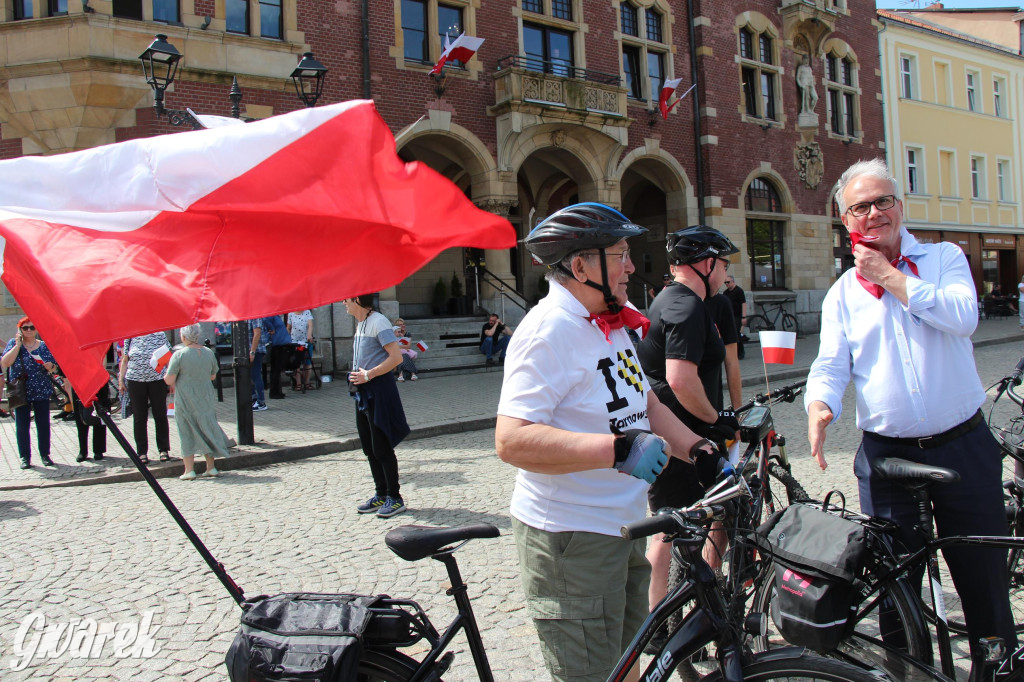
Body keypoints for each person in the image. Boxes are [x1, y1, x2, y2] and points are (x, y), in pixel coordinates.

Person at [805, 158, 1017, 667]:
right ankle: (905, 673)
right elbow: (832, 363)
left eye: (884, 201)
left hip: (964, 446)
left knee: (984, 581)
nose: (874, 213)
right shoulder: (841, 295)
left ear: (900, 206)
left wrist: (890, 276)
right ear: (846, 222)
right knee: (894, 588)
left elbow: (963, 317)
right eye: (861, 207)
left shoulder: (944, 258)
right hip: (887, 461)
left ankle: (999, 671)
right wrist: (819, 405)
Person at [495, 203, 713, 681]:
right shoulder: (548, 331)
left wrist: (697, 448)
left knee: (625, 667)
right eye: (620, 254)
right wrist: (617, 450)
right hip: (573, 539)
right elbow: (512, 441)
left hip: (623, 526)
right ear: (581, 266)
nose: (632, 266)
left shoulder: (608, 321)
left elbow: (646, 405)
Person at [637, 225, 739, 610]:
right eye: (723, 263)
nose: (725, 273)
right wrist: (716, 418)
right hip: (681, 434)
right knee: (669, 527)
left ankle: (668, 610)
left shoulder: (670, 299)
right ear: (706, 263)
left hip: (678, 429)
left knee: (675, 523)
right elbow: (680, 378)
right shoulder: (686, 305)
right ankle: (655, 619)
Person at [345, 294, 410, 519]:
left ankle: (395, 497)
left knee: (381, 446)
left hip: (378, 390)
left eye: (346, 299)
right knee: (369, 447)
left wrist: (369, 374)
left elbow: (396, 358)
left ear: (357, 300)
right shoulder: (362, 323)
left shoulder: (378, 322)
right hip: (363, 392)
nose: (344, 303)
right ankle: (381, 494)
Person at [165, 324, 231, 481]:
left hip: (186, 398)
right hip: (206, 397)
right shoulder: (208, 353)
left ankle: (189, 470)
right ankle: (211, 467)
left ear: (184, 337)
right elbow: (213, 375)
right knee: (206, 427)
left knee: (186, 430)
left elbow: (169, 379)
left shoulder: (180, 355)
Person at [2, 318, 57, 468]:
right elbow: (5, 363)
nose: (28, 331)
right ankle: (25, 457)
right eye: (25, 328)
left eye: (31, 327)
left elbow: (54, 367)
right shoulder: (14, 344)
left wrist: (50, 366)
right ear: (20, 330)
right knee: (22, 425)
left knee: (43, 424)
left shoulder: (44, 346)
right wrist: (18, 345)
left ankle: (45, 455)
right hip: (21, 391)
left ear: (36, 329)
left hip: (40, 389)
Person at [119, 332, 172, 464]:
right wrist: (121, 380)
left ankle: (163, 449)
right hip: (135, 380)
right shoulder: (130, 335)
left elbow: (168, 357)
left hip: (157, 380)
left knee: (160, 414)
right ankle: (142, 452)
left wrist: (171, 380)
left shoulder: (159, 333)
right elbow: (125, 359)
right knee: (139, 417)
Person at [264, 314, 293, 400]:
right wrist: (271, 329)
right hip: (276, 344)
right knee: (275, 369)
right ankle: (274, 392)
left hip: (281, 344)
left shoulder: (276, 315)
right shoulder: (270, 313)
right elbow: (265, 320)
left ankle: (277, 391)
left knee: (277, 369)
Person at [287, 309, 315, 390]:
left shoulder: (307, 312)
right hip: (295, 342)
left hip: (305, 341)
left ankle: (307, 382)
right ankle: (298, 384)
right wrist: (286, 337)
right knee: (297, 362)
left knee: (307, 361)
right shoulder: (291, 313)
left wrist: (309, 335)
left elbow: (310, 325)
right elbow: (288, 327)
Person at [722, 274, 747, 359]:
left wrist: (744, 317)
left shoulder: (739, 291)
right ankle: (733, 352)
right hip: (729, 316)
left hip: (737, 315)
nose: (727, 284)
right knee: (730, 334)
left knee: (737, 333)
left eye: (728, 282)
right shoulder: (725, 293)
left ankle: (741, 351)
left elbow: (743, 303)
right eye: (725, 283)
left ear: (733, 281)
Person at [248, 317, 268, 411]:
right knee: (248, 376)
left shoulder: (255, 316)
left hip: (256, 351)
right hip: (246, 351)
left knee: (256, 375)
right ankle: (253, 399)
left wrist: (252, 352)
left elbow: (257, 333)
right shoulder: (244, 315)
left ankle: (261, 402)